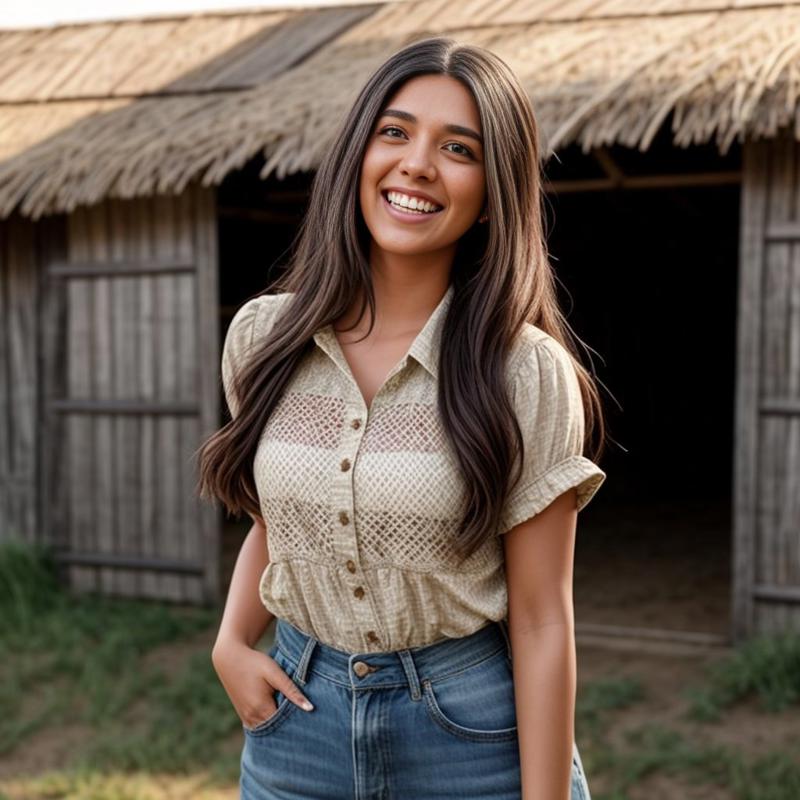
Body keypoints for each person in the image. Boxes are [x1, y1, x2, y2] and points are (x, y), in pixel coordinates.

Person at [198, 35, 607, 800]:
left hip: (472, 737)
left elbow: (545, 619)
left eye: (459, 148)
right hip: (297, 731)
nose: (417, 163)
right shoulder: (263, 339)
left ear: (494, 192)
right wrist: (230, 641)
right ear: (359, 152)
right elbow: (277, 520)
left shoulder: (523, 371)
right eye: (395, 132)